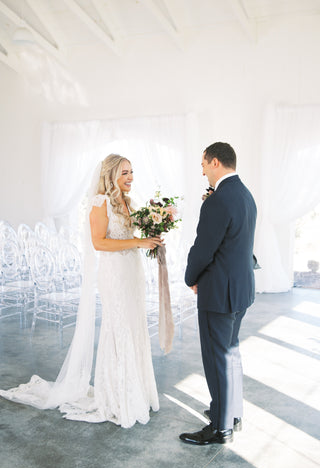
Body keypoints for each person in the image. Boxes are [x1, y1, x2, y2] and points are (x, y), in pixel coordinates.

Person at [0, 154, 162, 428]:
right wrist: (138, 240)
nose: (130, 177)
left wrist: (155, 227)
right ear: (110, 175)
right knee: (119, 329)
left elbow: (133, 237)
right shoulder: (100, 202)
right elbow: (99, 243)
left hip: (132, 272)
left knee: (135, 328)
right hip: (114, 275)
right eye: (124, 173)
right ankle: (117, 397)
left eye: (132, 172)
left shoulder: (129, 202)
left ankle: (137, 393)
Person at [179, 142, 257, 445]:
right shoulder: (245, 195)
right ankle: (231, 412)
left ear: (214, 162)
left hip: (219, 294)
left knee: (217, 360)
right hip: (240, 290)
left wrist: (191, 277)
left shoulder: (217, 201)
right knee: (231, 354)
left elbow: (203, 250)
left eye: (202, 164)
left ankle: (220, 427)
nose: (201, 170)